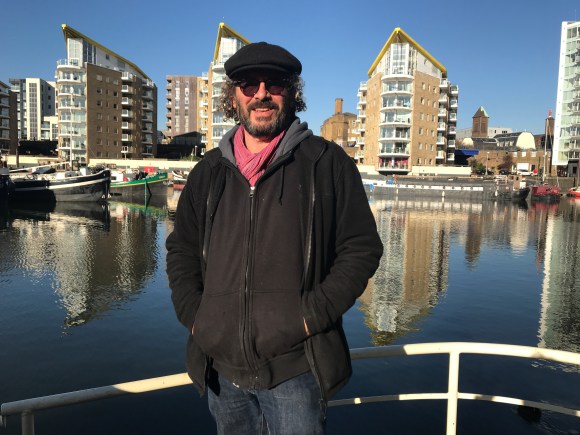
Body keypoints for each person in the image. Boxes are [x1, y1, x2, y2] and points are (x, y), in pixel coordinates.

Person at [166, 41, 383, 434]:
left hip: (296, 370)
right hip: (221, 372)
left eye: (275, 83)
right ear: (233, 96)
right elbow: (181, 250)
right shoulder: (207, 173)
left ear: (292, 92)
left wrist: (309, 316)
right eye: (249, 84)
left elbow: (361, 249)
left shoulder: (327, 164)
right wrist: (196, 318)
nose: (261, 94)